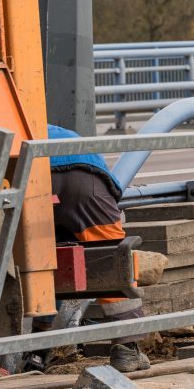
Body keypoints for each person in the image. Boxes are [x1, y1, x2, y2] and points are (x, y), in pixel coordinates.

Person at [45, 125, 151, 373]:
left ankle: (36, 353)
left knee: (42, 262)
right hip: (86, 177)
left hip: (34, 175)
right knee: (112, 258)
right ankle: (127, 349)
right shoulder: (54, 127)